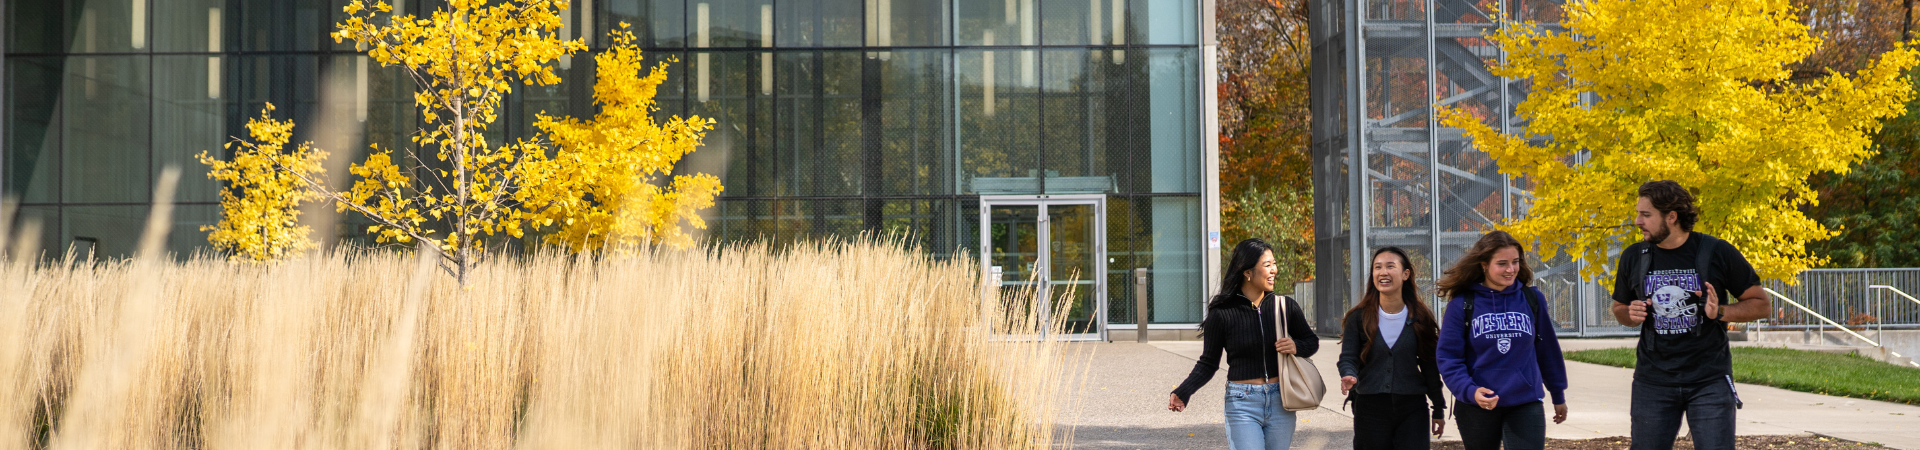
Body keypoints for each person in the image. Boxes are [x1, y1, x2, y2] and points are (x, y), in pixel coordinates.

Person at [1610, 180, 1768, 450]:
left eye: (1646, 215)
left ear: (1671, 217)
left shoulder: (1716, 251)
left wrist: (1719, 311)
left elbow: (1760, 304)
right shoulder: (1634, 256)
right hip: (1653, 381)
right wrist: (1629, 313)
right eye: (1638, 213)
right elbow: (1619, 309)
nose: (1637, 221)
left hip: (1709, 380)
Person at [1168, 238, 1319, 450]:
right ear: (1247, 272)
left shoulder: (1285, 307)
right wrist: (1183, 391)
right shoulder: (1222, 314)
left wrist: (1296, 346)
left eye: (1274, 264)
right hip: (1242, 402)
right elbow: (1208, 363)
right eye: (1267, 265)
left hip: (1281, 400)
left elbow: (1311, 342)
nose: (1274, 270)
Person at [1435, 231, 1570, 450]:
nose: (1511, 269)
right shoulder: (1462, 303)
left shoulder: (1532, 299)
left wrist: (1558, 393)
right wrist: (1470, 391)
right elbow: (1448, 358)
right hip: (1477, 404)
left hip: (1525, 401)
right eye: (1502, 263)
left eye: (1515, 262)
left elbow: (1547, 350)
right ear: (1484, 265)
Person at [1337, 247, 1447, 449]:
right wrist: (1349, 374)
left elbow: (1430, 367)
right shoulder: (1359, 317)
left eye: (1390, 266)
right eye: (1377, 267)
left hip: (1412, 409)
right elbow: (1348, 357)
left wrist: (1438, 408)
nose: (1383, 272)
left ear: (1406, 274)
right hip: (1369, 407)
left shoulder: (1420, 318)